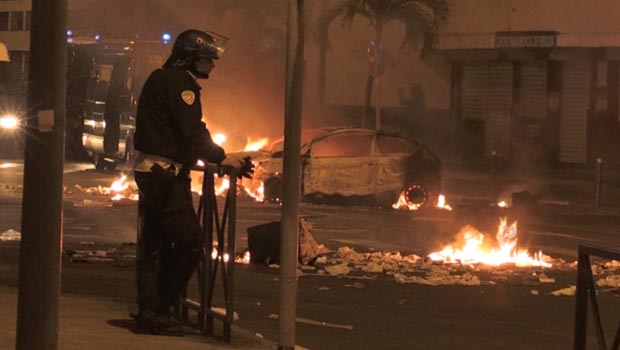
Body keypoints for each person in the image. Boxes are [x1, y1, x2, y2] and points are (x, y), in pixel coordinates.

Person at [132, 29, 228, 335]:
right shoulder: (180, 84)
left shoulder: (160, 77)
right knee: (190, 243)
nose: (212, 65)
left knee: (153, 245)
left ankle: (150, 309)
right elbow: (192, 131)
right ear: (190, 57)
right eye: (207, 59)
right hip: (165, 174)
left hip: (152, 171)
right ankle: (158, 308)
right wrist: (222, 156)